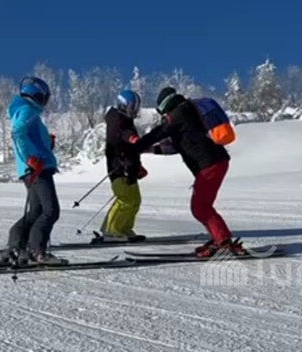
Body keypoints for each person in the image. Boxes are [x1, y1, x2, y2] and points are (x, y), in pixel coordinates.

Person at [134, 86, 243, 257]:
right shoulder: (186, 115)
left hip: (210, 163)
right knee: (202, 206)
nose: (163, 115)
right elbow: (175, 147)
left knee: (200, 207)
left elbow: (160, 132)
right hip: (213, 162)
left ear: (165, 105)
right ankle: (219, 239)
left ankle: (223, 242)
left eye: (162, 111)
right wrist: (149, 149)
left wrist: (136, 146)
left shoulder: (179, 113)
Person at [0, 76, 66, 267]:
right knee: (51, 211)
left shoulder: (24, 110)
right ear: (38, 95)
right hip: (37, 168)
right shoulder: (27, 110)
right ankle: (36, 251)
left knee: (36, 211)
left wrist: (45, 143)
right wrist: (30, 158)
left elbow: (26, 136)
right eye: (45, 97)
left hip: (33, 167)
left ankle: (15, 248)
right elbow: (18, 133)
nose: (46, 101)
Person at [98, 89, 148, 243]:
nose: (134, 111)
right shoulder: (116, 119)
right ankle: (111, 231)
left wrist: (138, 165)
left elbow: (131, 148)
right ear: (123, 105)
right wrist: (131, 138)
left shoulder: (127, 121)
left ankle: (124, 229)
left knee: (135, 200)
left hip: (129, 168)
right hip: (118, 167)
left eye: (136, 107)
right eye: (131, 107)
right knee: (124, 199)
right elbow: (119, 134)